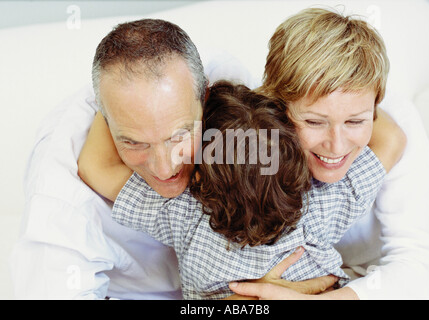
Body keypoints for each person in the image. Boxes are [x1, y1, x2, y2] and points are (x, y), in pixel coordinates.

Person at [10, 18, 335, 299]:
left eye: (178, 135)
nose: (164, 169)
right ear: (104, 120)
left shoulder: (229, 98)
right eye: (133, 142)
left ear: (205, 99)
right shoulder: (58, 209)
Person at [77, 80, 404, 299]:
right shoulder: (322, 203)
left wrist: (122, 106)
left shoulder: (181, 211)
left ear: (199, 178)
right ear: (296, 162)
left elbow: (95, 165)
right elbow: (391, 137)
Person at [228, 8, 429, 300]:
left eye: (355, 121)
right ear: (276, 106)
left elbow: (416, 266)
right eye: (314, 122)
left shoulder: (399, 124)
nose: (337, 146)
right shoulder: (255, 139)